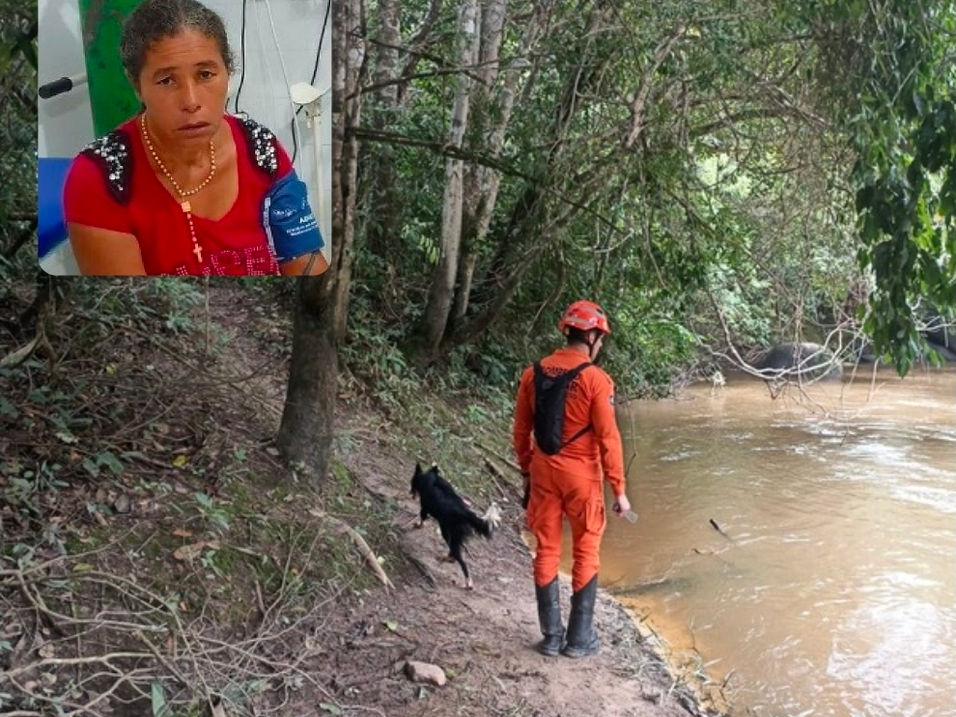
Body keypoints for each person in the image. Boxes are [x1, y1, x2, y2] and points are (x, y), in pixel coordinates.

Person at [63, 0, 327, 276]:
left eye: (205, 75)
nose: (190, 101)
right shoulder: (99, 178)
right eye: (166, 80)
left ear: (228, 73)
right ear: (136, 86)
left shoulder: (261, 150)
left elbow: (306, 264)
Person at [512, 300, 632, 658]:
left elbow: (521, 432)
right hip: (582, 476)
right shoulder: (596, 380)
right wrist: (620, 490)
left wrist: (526, 471)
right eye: (601, 339)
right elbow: (609, 438)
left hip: (543, 471)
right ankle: (579, 640)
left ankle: (550, 637)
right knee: (586, 547)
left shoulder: (532, 374)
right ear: (593, 336)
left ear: (569, 332)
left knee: (546, 547)